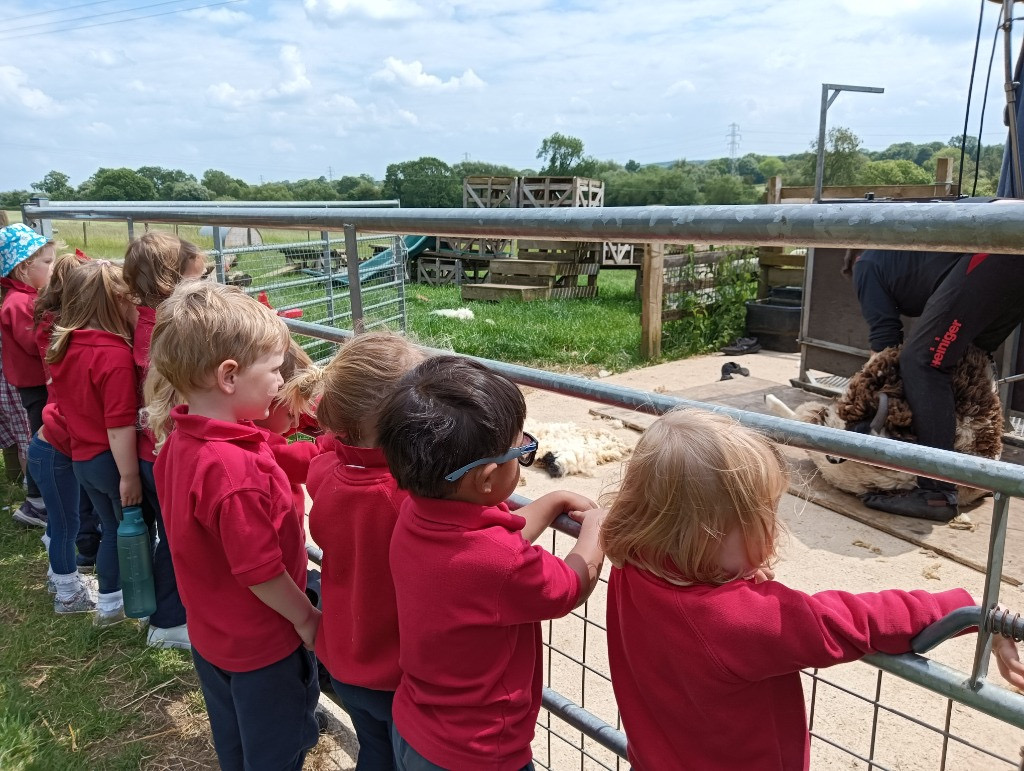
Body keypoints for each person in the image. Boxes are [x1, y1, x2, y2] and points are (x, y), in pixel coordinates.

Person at [600, 408, 1024, 771]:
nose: (773, 529)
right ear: (704, 534)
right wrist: (967, 609)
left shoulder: (632, 570)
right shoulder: (741, 619)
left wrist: (730, 573)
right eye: (762, 515)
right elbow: (854, 619)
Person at [377, 355, 607, 771]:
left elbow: (492, 550)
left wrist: (550, 501)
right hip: (478, 754)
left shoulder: (415, 515)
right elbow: (568, 586)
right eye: (522, 452)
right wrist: (598, 528)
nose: (524, 457)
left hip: (416, 728)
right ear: (486, 479)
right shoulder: (497, 563)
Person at [147, 281, 320, 771]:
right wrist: (305, 618)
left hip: (213, 635)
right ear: (229, 376)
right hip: (263, 644)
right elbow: (260, 570)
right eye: (272, 370)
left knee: (237, 743)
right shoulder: (233, 470)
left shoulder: (180, 442)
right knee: (279, 747)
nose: (278, 384)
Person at [302, 332, 424, 771]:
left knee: (373, 753)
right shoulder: (407, 498)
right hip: (394, 672)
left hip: (343, 657)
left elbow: (329, 449)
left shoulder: (325, 470)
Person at [846, 244, 1024, 520]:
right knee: (968, 359)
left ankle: (936, 493)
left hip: (993, 258)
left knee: (921, 363)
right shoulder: (902, 256)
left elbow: (885, 345)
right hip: (1009, 265)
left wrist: (863, 394)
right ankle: (974, 462)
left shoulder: (864, 264)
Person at [123, 231, 207, 650]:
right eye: (197, 280)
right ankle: (170, 621)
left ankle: (166, 614)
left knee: (168, 539)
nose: (203, 288)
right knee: (178, 543)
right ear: (169, 282)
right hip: (162, 455)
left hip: (149, 452)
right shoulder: (164, 335)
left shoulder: (144, 322)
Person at [47, 260, 140, 625]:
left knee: (108, 529)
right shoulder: (113, 355)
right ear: (117, 301)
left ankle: (107, 601)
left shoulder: (65, 344)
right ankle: (115, 604)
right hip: (110, 459)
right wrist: (129, 475)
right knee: (125, 531)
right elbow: (118, 425)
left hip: (82, 457)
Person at [26, 253, 98, 613]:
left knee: (61, 520)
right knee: (66, 522)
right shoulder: (82, 351)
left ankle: (60, 572)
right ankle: (68, 593)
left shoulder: (64, 343)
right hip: (53, 452)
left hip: (47, 447)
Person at [0, 223, 55, 527]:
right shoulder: (20, 303)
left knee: (41, 437)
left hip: (36, 382)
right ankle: (36, 502)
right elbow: (37, 344)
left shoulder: (26, 297)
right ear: (23, 268)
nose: (52, 268)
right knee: (42, 439)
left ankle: (37, 497)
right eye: (46, 263)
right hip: (36, 385)